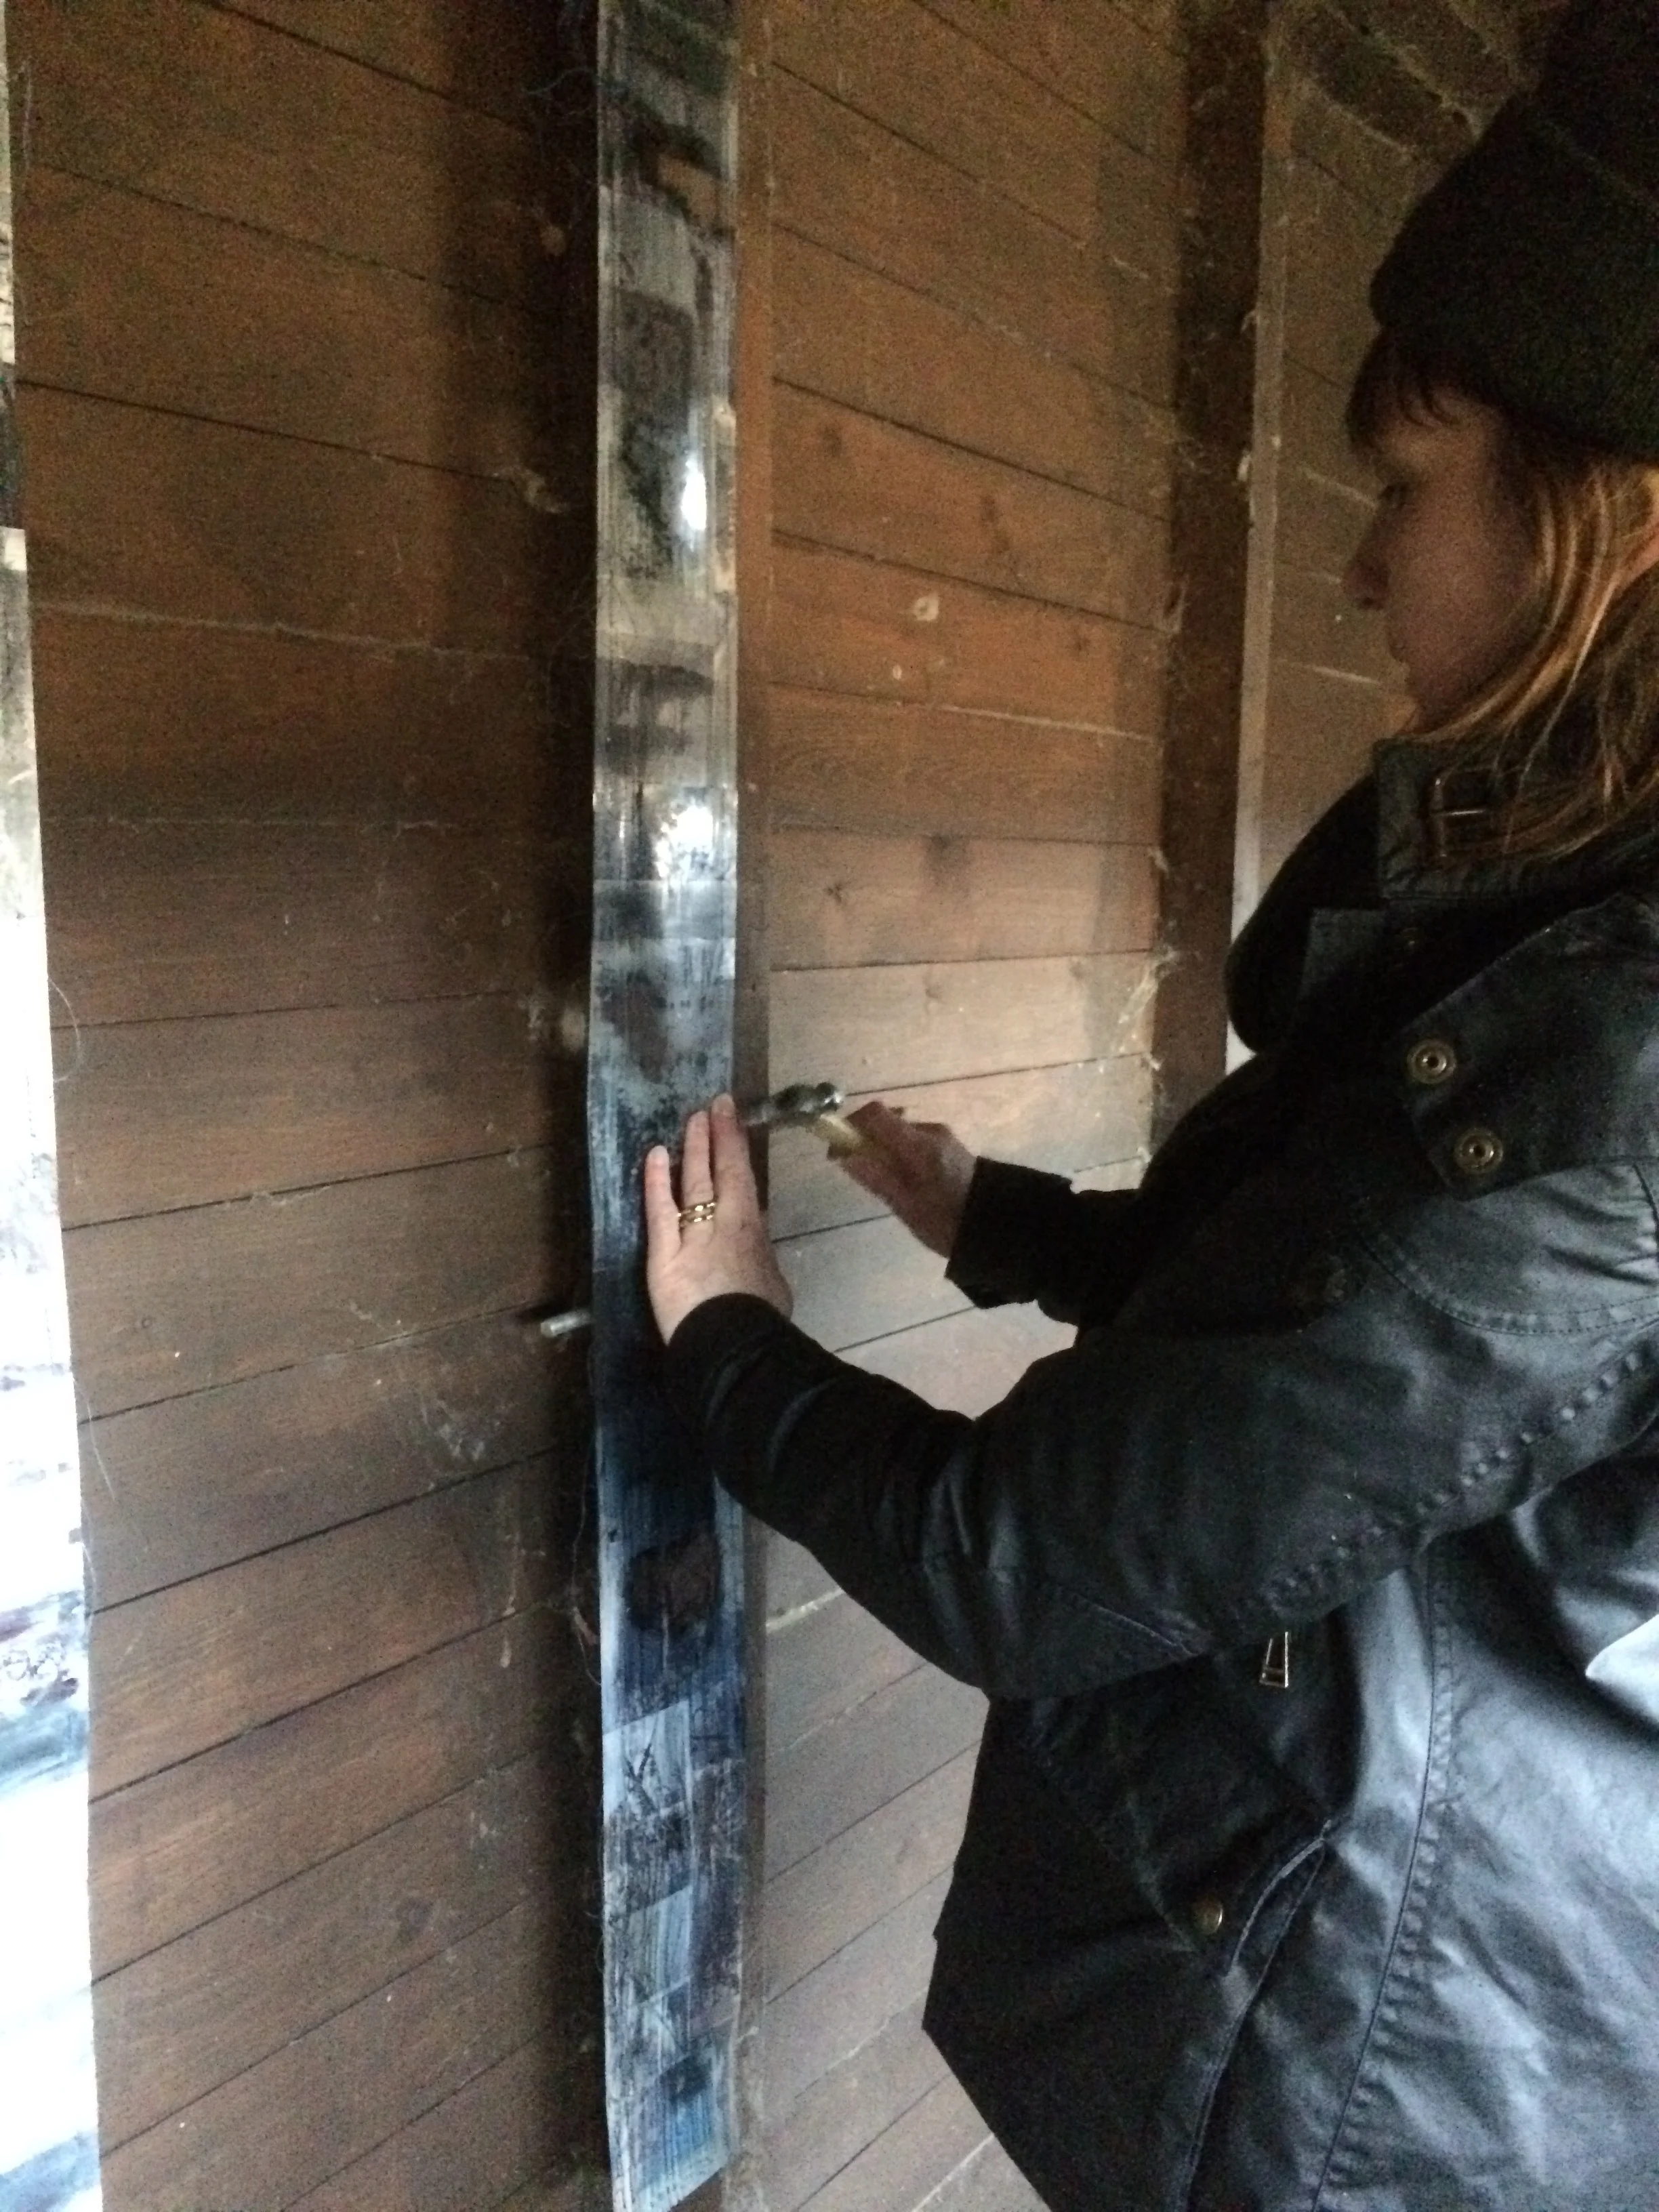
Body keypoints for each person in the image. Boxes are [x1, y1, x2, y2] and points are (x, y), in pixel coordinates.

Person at [642, 4, 1659, 2204]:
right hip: (1441, 1971)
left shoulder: (1617, 1074)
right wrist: (998, 1218)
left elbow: (1030, 1566)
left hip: (1384, 2066)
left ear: (1612, 529)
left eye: (1406, 492)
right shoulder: (1550, 934)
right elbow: (1349, 1338)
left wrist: (723, 1336)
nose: (1372, 568)